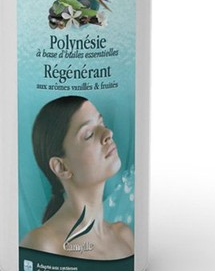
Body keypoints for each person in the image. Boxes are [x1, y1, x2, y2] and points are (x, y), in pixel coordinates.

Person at [21, 95, 134, 259]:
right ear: (62, 167)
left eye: (102, 124)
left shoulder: (124, 235)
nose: (108, 133)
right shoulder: (42, 244)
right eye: (89, 134)